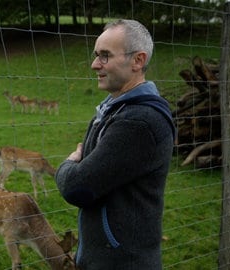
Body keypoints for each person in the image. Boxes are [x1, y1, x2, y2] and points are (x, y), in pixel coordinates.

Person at [55, 19, 175, 269]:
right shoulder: (115, 110)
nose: (94, 64)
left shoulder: (139, 122)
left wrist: (67, 164)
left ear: (138, 61)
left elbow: (77, 188)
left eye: (105, 56)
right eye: (96, 55)